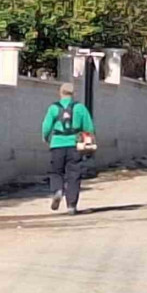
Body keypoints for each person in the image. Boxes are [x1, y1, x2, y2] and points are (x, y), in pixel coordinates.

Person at [42, 83, 95, 215]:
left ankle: (57, 190)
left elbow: (46, 126)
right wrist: (88, 143)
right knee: (74, 174)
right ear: (73, 94)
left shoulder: (54, 108)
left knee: (56, 172)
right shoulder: (80, 108)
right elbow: (89, 127)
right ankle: (71, 205)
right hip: (74, 144)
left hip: (57, 144)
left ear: (60, 93)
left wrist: (46, 137)